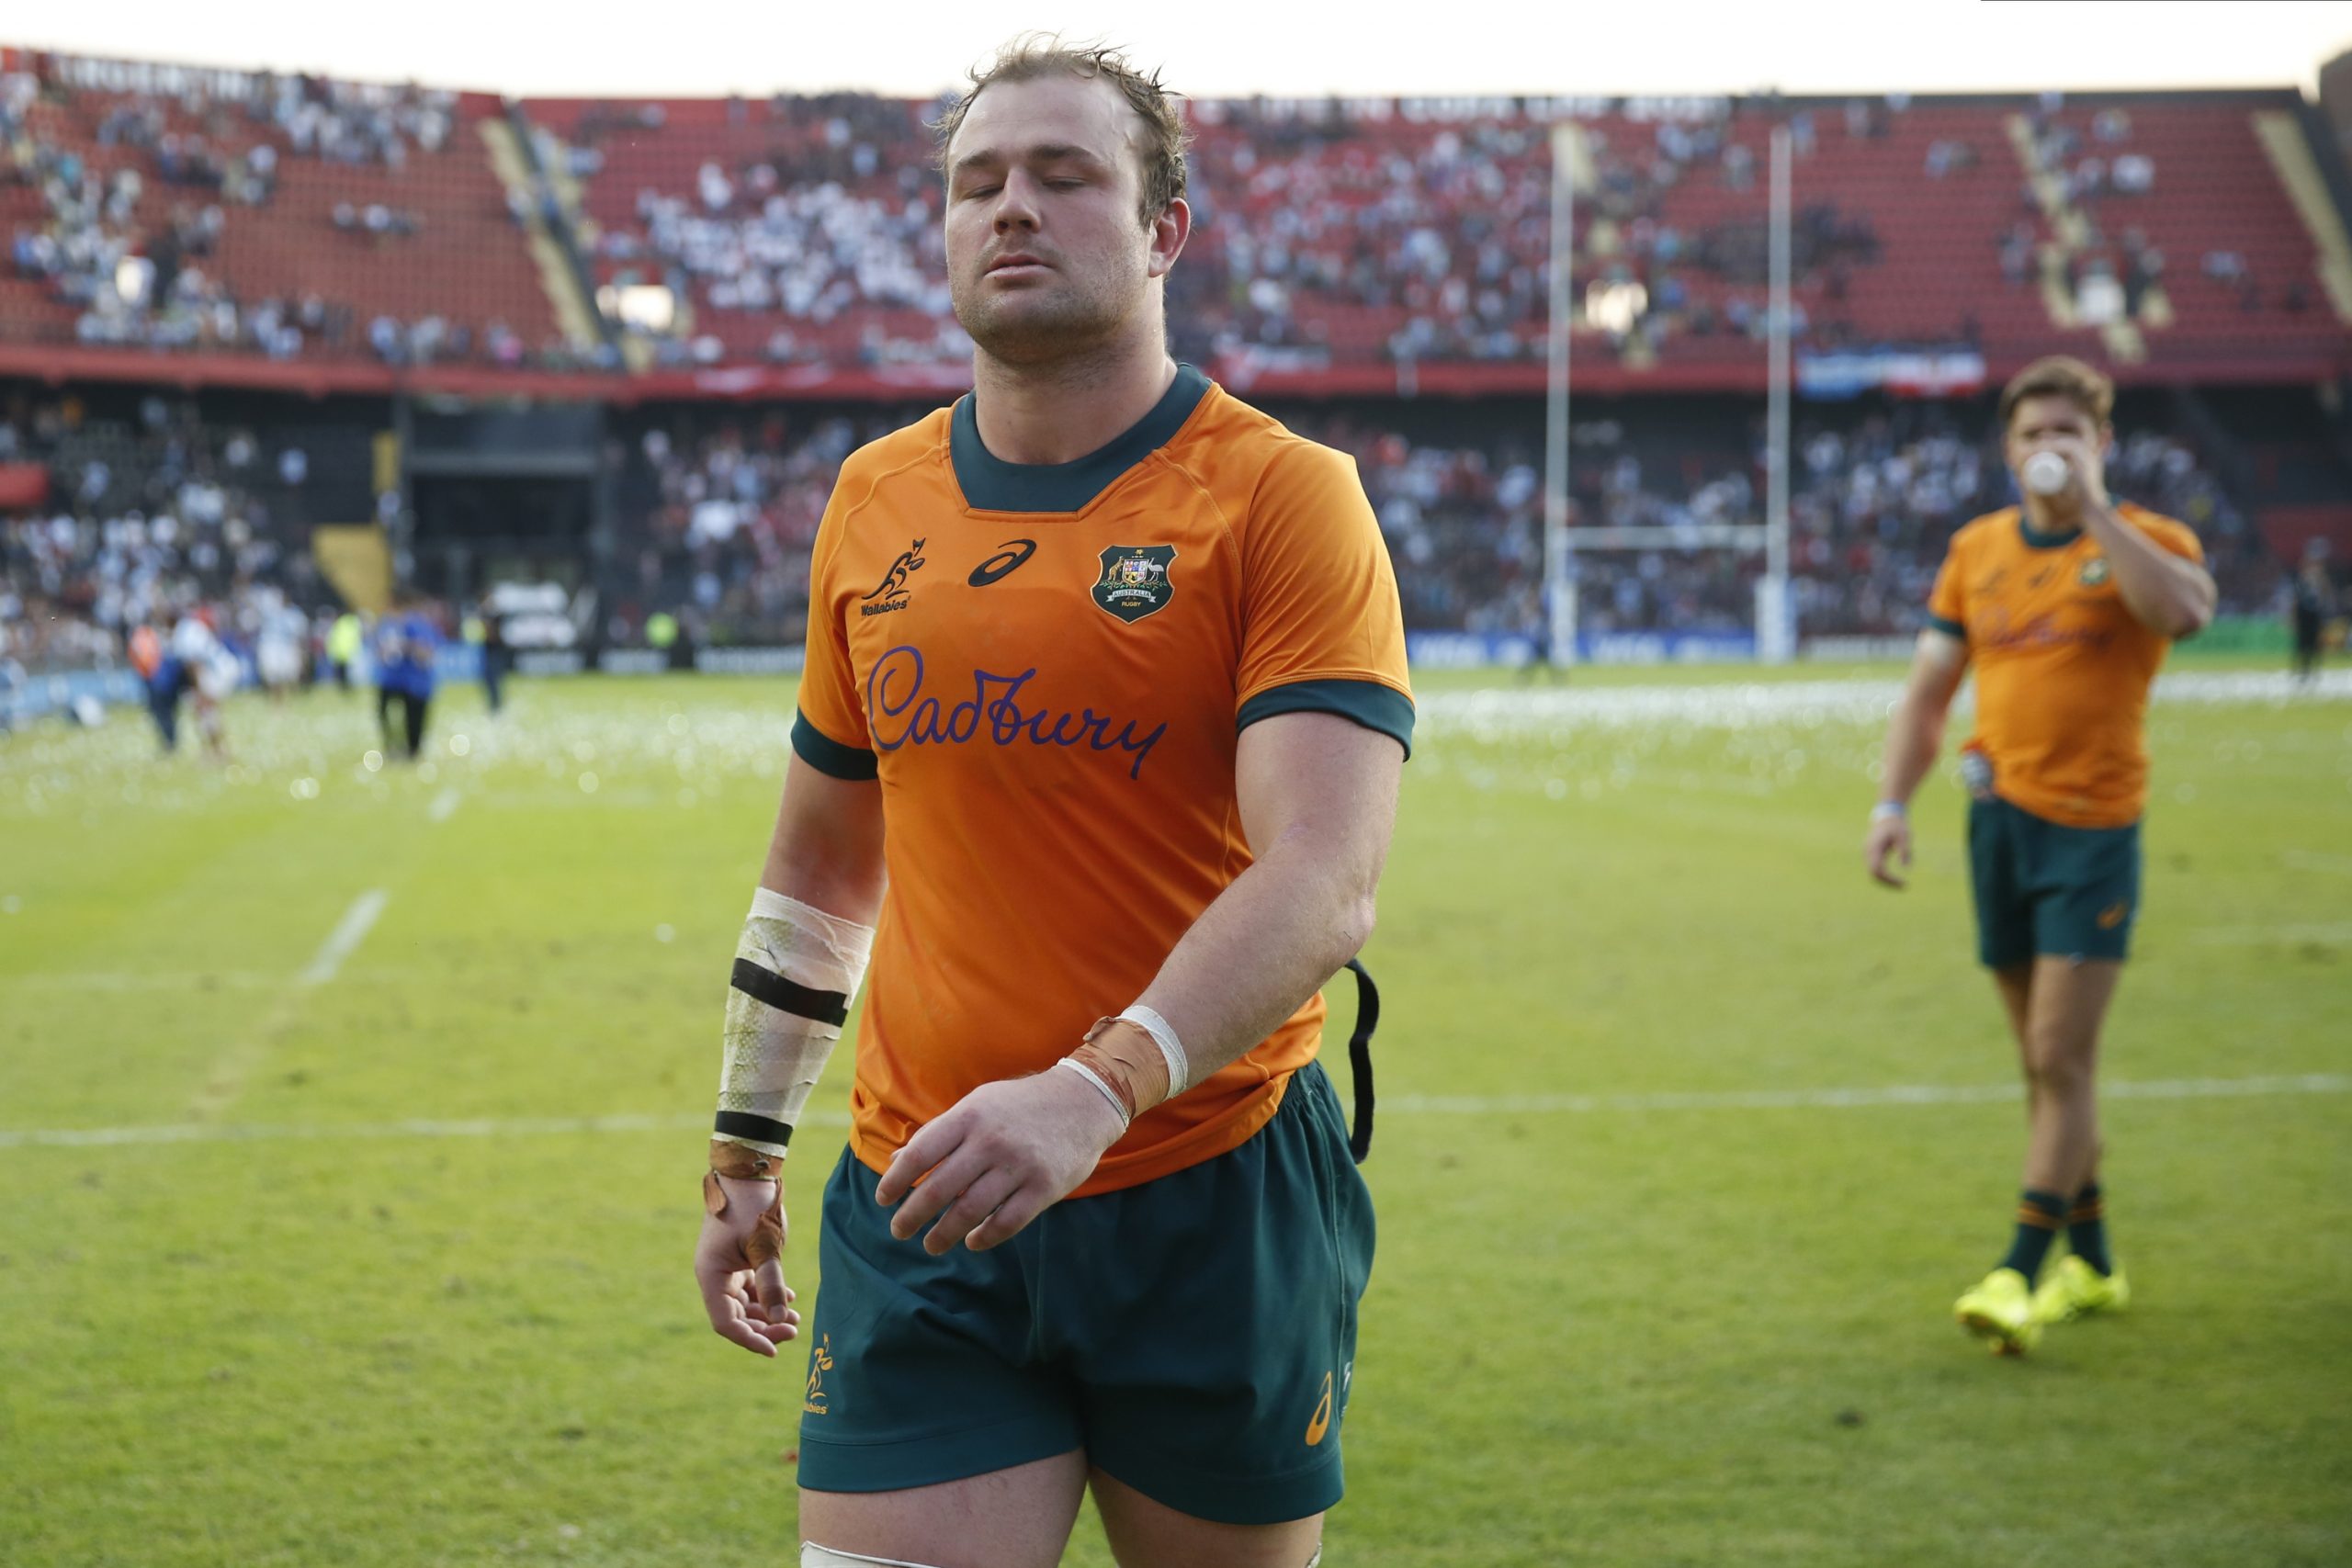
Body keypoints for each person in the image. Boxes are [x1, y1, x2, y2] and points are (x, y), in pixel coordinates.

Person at [689, 39, 1411, 1568]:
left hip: (1207, 1183)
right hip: (924, 1191)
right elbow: (821, 865)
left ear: (1164, 230)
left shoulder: (1284, 497)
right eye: (978, 182)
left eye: (1064, 176)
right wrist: (747, 1145)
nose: (1011, 208)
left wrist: (1097, 1089)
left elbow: (1327, 871)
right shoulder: (875, 501)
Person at [1864, 356, 2216, 1355]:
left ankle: (2018, 1274)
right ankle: (2094, 1263)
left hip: (2094, 830)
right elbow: (1930, 691)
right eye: (2030, 436)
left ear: (2099, 444)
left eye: (2066, 433)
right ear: (2007, 449)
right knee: (2041, 1061)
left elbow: (2185, 613)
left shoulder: (2147, 543)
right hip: (1998, 825)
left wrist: (2096, 509)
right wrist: (1892, 801)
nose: (2046, 450)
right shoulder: (1975, 550)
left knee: (2060, 1056)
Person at [372, 588, 438, 759]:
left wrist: (407, 646)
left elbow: (428, 652)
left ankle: (412, 752)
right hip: (391, 679)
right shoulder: (386, 624)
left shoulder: (418, 624)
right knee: (385, 715)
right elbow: (378, 651)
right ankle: (392, 748)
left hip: (414, 682)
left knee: (414, 721)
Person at [2289, 538, 2336, 685]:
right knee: (2303, 644)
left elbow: (2326, 595)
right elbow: (2296, 599)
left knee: (2315, 644)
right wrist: (2293, 616)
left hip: (2315, 614)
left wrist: (2328, 610)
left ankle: (2313, 672)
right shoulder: (2302, 578)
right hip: (2305, 614)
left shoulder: (2320, 578)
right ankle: (2303, 671)